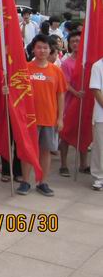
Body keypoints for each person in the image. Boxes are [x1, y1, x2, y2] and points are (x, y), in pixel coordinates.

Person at [18, 35, 66, 197]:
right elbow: (17, 91)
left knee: (45, 151)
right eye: (39, 47)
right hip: (29, 119)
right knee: (28, 151)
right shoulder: (25, 68)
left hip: (49, 118)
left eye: (45, 47)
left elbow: (61, 95)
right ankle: (25, 181)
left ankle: (42, 182)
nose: (42, 50)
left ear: (50, 50)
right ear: (33, 49)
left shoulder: (56, 71)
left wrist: (60, 118)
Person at [59, 31, 87, 176]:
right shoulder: (66, 63)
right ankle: (63, 164)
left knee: (83, 133)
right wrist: (76, 93)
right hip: (70, 104)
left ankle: (83, 164)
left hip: (84, 104)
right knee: (65, 134)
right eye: (73, 41)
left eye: (78, 41)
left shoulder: (87, 62)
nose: (76, 44)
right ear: (69, 44)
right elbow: (65, 83)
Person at [90, 55, 103, 190]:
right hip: (101, 115)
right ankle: (99, 178)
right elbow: (95, 89)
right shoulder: (98, 66)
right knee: (100, 148)